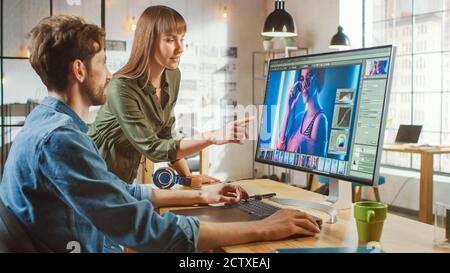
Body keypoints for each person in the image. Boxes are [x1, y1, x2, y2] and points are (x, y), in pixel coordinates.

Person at [0, 15, 320, 253]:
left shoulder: (46, 122)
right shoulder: (61, 141)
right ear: (79, 70)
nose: (110, 73)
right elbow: (144, 228)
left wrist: (199, 193)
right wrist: (263, 229)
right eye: (103, 62)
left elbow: (118, 190)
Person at [88, 6, 249, 185]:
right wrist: (212, 136)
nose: (180, 48)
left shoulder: (172, 75)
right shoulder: (121, 87)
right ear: (148, 41)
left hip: (122, 181)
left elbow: (165, 136)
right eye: (170, 40)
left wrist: (189, 178)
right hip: (92, 176)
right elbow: (153, 149)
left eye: (182, 39)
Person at [276, 68, 328, 156]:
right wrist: (288, 112)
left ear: (318, 79)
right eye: (302, 79)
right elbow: (279, 150)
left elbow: (313, 166)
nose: (304, 85)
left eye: (309, 78)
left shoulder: (320, 120)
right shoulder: (299, 117)